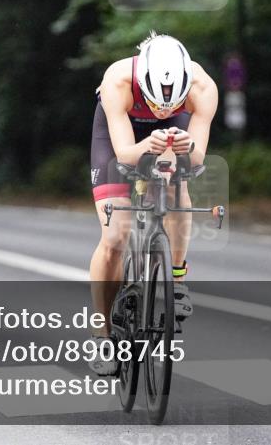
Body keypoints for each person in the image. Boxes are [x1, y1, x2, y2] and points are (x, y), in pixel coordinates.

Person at [88, 33, 218, 374]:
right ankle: (101, 335)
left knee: (177, 188)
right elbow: (124, 155)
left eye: (171, 102)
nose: (162, 107)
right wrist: (148, 144)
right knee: (115, 236)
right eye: (156, 99)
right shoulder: (118, 80)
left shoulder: (203, 88)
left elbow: (198, 157)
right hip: (121, 133)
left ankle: (175, 278)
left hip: (172, 133)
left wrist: (186, 147)